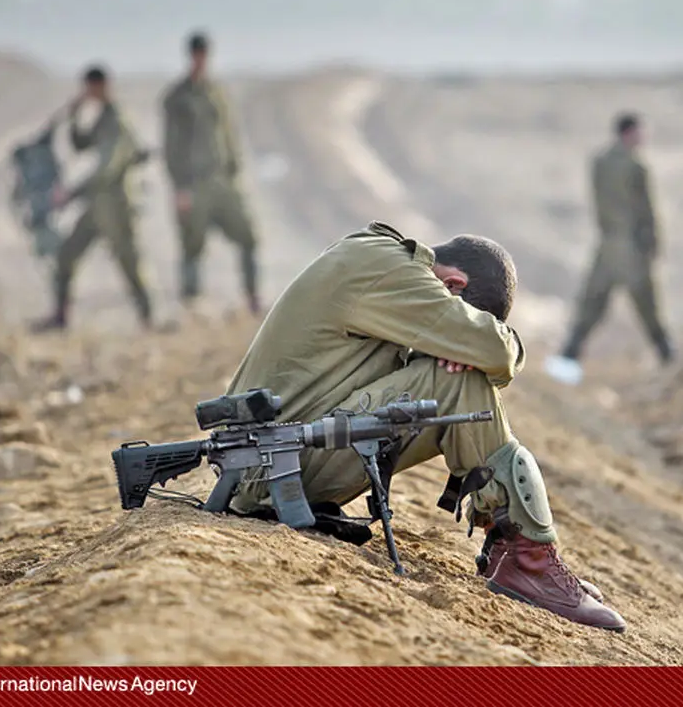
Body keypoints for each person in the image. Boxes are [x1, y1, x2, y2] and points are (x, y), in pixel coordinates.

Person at [225, 221, 627, 632]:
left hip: (277, 458)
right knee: (458, 379)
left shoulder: (378, 257)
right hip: (275, 468)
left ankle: (519, 551)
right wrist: (469, 348)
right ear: (453, 285)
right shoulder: (390, 271)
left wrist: (453, 347)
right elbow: (495, 351)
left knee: (445, 377)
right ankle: (529, 560)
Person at [546, 113, 673, 385]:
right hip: (629, 246)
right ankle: (667, 356)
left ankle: (568, 355)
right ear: (629, 133)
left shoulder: (599, 162)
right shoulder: (636, 166)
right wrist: (652, 244)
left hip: (607, 242)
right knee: (646, 302)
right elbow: (645, 210)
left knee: (592, 301)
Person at [31, 65, 153, 331]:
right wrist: (74, 115)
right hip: (98, 206)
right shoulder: (103, 119)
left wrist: (70, 194)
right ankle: (60, 317)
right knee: (66, 256)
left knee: (129, 263)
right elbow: (81, 144)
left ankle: (148, 318)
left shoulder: (117, 122)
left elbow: (105, 170)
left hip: (115, 206)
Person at [161, 31, 261, 313]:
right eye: (197, 54)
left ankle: (252, 298)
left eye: (205, 54)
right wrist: (180, 187)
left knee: (248, 237)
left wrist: (234, 170)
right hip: (194, 185)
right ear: (191, 55)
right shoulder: (178, 98)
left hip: (222, 183)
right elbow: (172, 146)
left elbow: (229, 133)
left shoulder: (216, 92)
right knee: (192, 246)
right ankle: (191, 307)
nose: (201, 60)